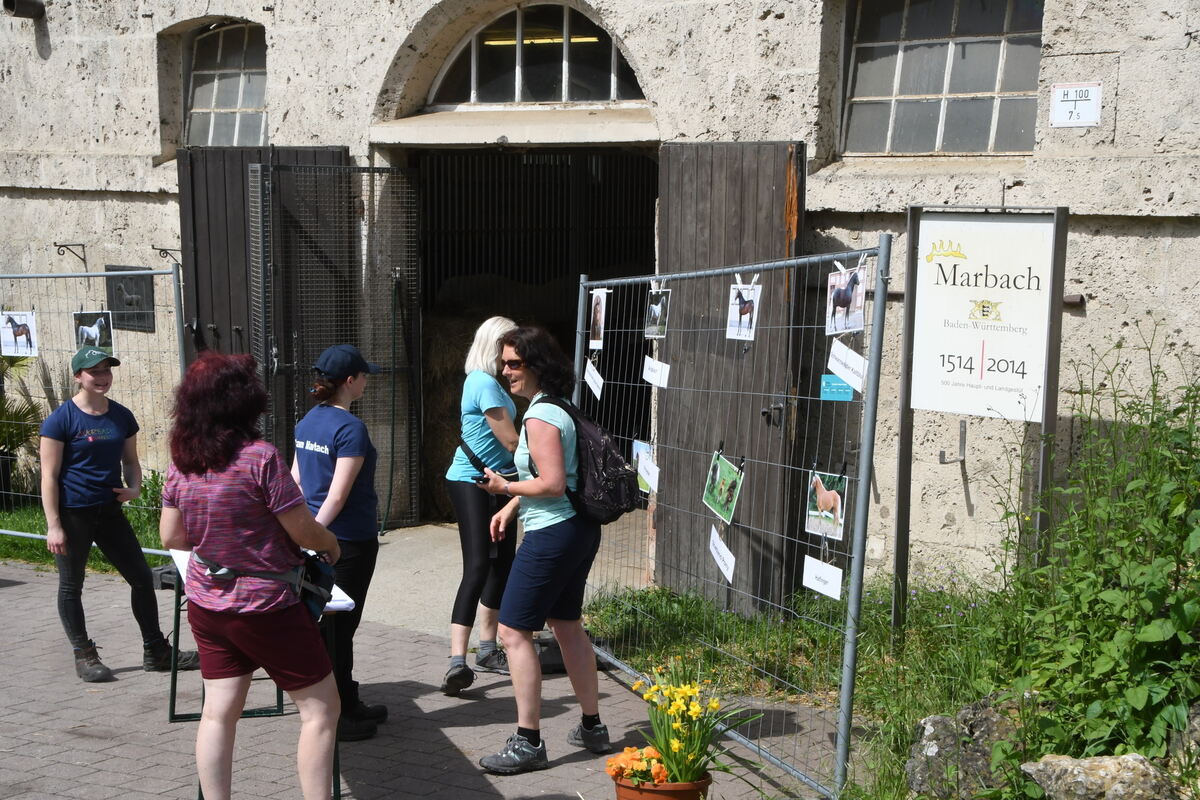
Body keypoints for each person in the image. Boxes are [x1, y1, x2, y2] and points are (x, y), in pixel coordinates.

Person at [159, 352, 342, 800]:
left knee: (218, 713)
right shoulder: (260, 457)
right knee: (321, 711)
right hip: (268, 608)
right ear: (244, 402)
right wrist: (330, 545)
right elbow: (301, 528)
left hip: (207, 605)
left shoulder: (181, 460)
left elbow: (173, 536)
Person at [475, 326, 610, 774]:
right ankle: (592, 726)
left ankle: (529, 741)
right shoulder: (555, 408)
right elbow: (562, 478)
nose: (505, 370)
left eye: (514, 363)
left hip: (553, 533)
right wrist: (514, 505)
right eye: (504, 363)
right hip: (574, 530)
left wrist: (503, 486)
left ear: (537, 366)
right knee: (568, 625)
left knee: (513, 632)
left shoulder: (539, 417)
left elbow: (551, 483)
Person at [40, 346, 199, 682]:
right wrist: (54, 525)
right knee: (72, 586)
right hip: (73, 514)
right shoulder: (60, 421)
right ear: (78, 377)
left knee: (141, 578)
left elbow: (130, 461)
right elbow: (49, 477)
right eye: (94, 372)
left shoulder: (121, 416)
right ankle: (84, 654)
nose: (102, 378)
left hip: (109, 512)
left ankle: (155, 650)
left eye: (106, 371)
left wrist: (135, 487)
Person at [291, 343, 386, 741]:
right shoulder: (350, 428)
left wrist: (300, 532)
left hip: (317, 534)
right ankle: (338, 718)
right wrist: (318, 539)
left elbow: (294, 481)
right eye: (364, 375)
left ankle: (347, 700)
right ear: (350, 381)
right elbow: (337, 494)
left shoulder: (309, 420)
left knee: (331, 628)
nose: (367, 380)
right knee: (339, 630)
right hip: (346, 541)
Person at [442, 316, 520, 696]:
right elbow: (510, 442)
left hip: (500, 483)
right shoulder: (484, 383)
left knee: (501, 565)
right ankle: (457, 660)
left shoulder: (493, 384)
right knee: (476, 564)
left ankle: (487, 651)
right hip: (471, 481)